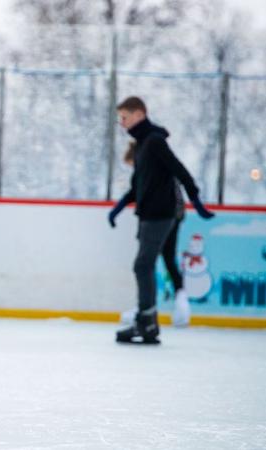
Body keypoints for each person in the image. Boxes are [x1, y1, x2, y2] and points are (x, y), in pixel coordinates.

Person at [109, 97, 214, 345]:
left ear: (139, 114)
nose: (122, 123)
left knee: (143, 264)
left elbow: (180, 170)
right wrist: (117, 209)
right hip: (148, 215)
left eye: (124, 117)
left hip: (161, 213)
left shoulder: (154, 142)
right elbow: (137, 187)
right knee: (144, 265)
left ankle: (147, 322)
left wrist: (196, 199)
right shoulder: (143, 144)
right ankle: (147, 321)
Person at [115, 141, 191, 327]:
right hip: (165, 217)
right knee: (159, 260)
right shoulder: (152, 171)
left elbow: (168, 194)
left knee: (146, 262)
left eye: (133, 163)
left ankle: (146, 307)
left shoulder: (154, 171)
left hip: (163, 218)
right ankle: (159, 305)